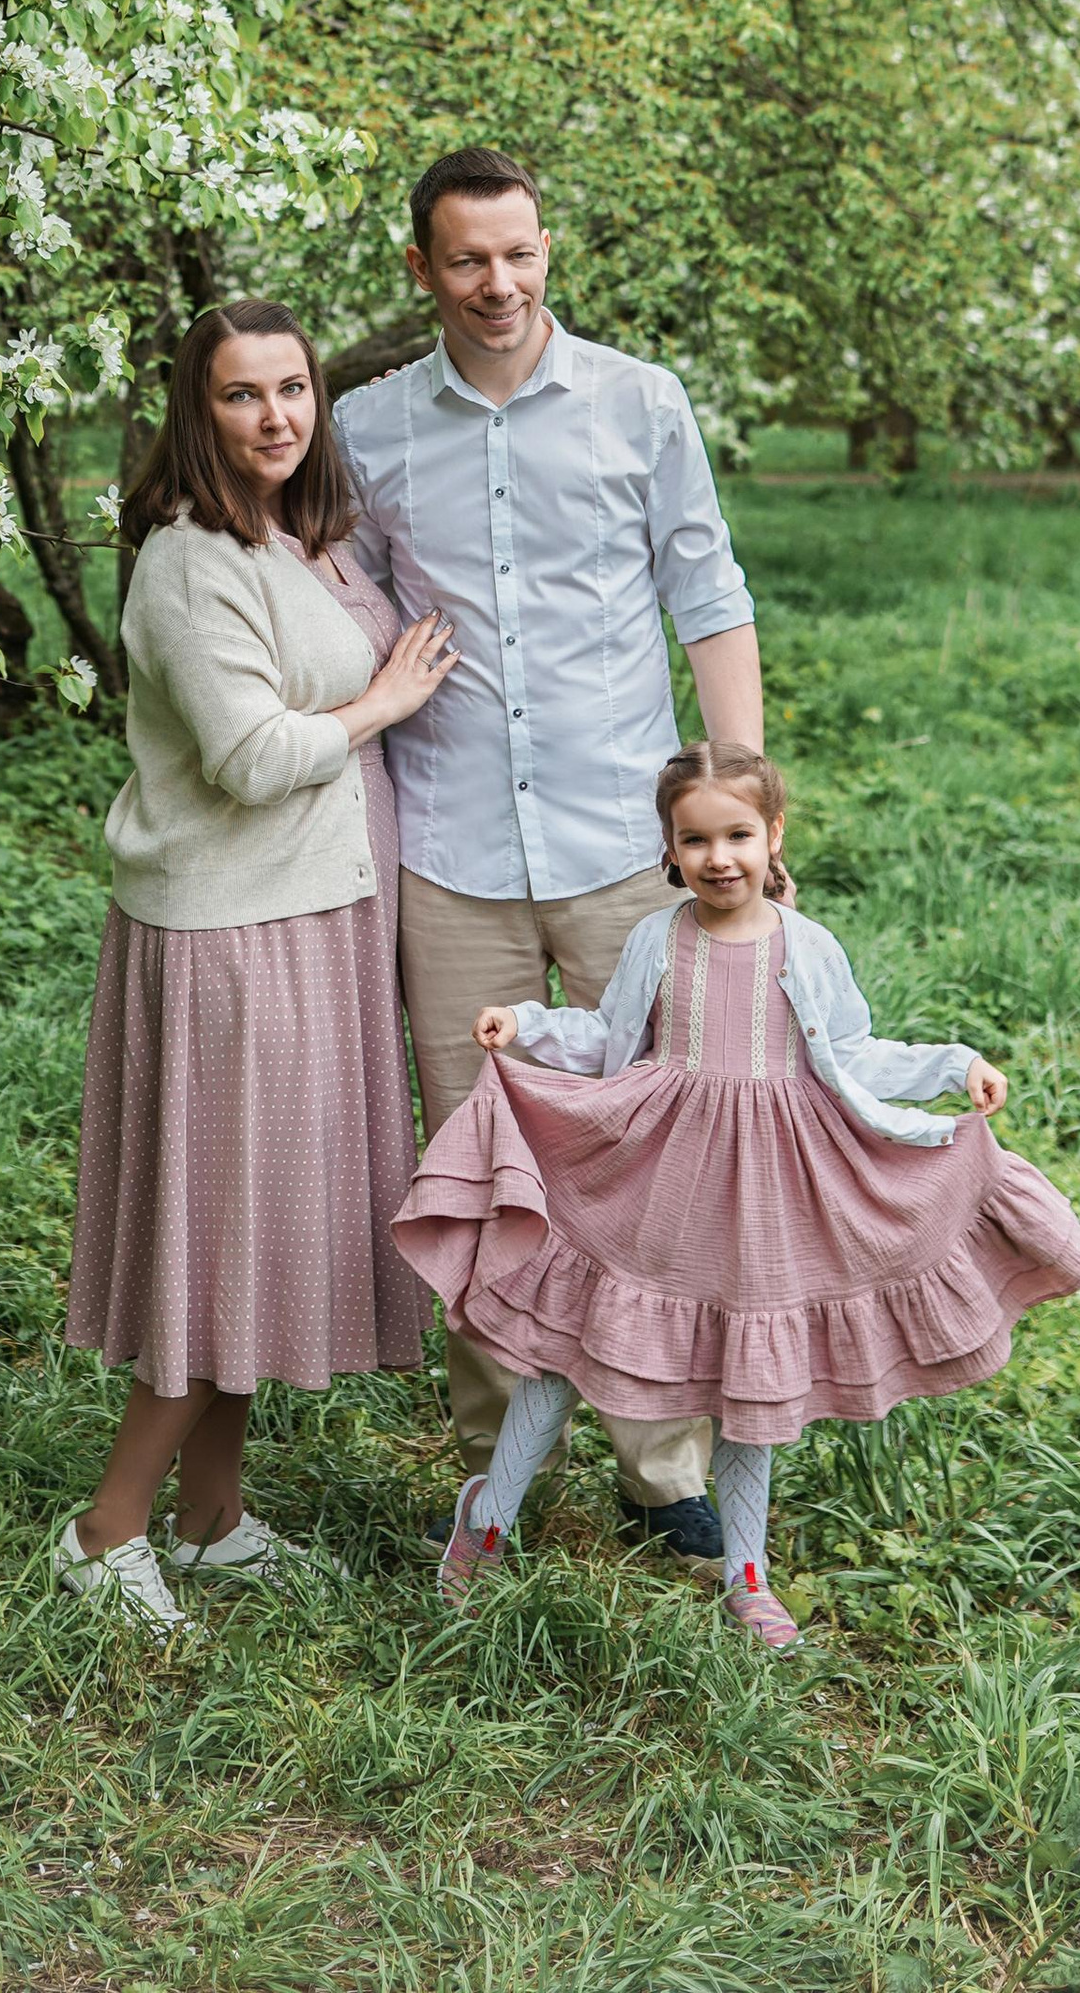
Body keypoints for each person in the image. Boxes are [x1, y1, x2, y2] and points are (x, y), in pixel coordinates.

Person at [397, 740, 1080, 1647]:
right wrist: (526, 1024)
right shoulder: (659, 938)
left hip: (771, 1192)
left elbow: (854, 1053)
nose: (718, 858)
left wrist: (954, 1065)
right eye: (695, 841)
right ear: (670, 849)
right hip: (657, 1176)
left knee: (751, 1374)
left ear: (774, 836)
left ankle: (747, 1572)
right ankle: (486, 1524)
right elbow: (610, 1038)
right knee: (568, 1348)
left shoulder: (806, 949)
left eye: (737, 835)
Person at [334, 146, 759, 1557]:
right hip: (450, 853)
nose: (497, 283)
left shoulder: (641, 403)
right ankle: (488, 1473)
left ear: (548, 249)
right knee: (478, 1167)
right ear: (421, 270)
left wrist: (735, 802)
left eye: (518, 253)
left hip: (621, 855)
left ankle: (662, 1473)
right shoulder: (369, 429)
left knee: (656, 1153)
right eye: (466, 259)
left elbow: (708, 595)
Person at [56, 298, 461, 1635]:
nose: (277, 417)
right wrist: (384, 707)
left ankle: (213, 1519)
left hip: (315, 916)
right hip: (236, 934)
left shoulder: (290, 533)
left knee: (251, 1229)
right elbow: (246, 755)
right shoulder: (187, 559)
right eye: (243, 395)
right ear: (197, 410)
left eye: (294, 390)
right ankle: (105, 1532)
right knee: (220, 1236)